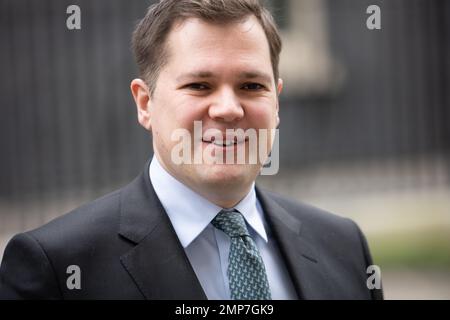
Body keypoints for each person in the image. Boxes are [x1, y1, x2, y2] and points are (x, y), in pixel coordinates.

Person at [0, 0, 383, 300]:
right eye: (200, 85)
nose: (229, 109)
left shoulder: (345, 247)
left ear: (277, 103)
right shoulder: (57, 269)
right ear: (145, 103)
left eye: (251, 86)